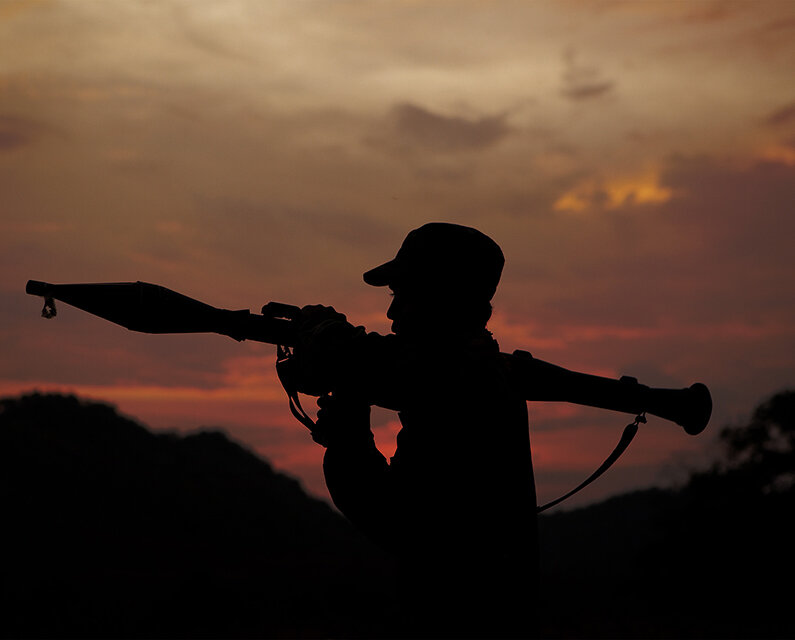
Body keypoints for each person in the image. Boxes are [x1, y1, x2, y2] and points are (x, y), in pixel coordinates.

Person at [294, 223, 539, 638]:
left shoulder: (464, 384)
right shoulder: (482, 376)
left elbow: (396, 520)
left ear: (439, 297)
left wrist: (348, 420)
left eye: (401, 295)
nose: (391, 314)